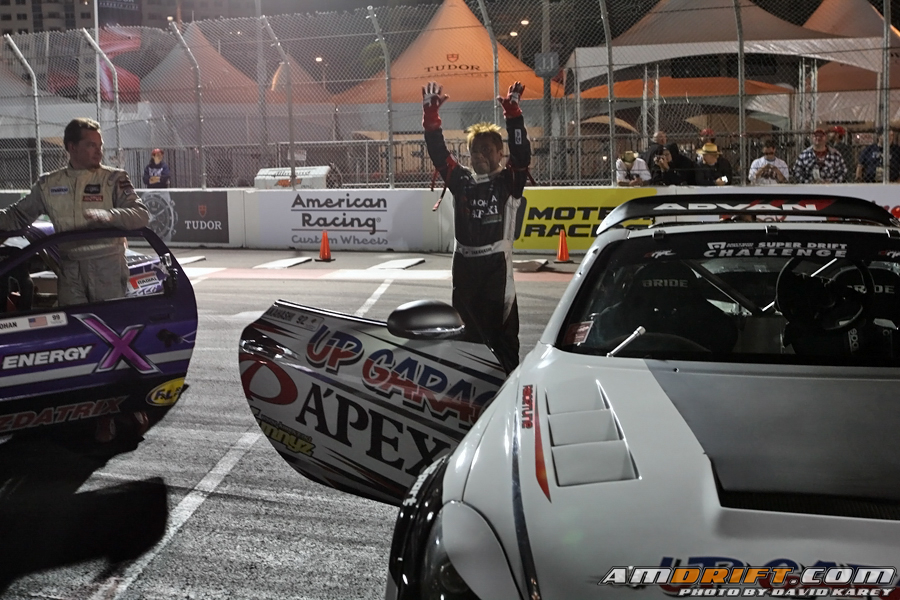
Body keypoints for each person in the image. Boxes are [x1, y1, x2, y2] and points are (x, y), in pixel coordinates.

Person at [422, 81, 529, 375]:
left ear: (500, 153)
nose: (479, 154)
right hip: (464, 267)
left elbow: (522, 155)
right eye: (474, 150)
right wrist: (431, 119)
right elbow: (438, 153)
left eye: (486, 149)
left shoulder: (509, 181)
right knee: (465, 334)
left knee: (502, 336)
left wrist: (514, 116)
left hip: (496, 269)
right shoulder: (461, 181)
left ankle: (507, 384)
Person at [0, 118, 150, 306]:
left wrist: (110, 216)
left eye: (100, 145)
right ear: (72, 147)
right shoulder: (48, 184)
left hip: (108, 268)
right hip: (69, 271)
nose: (99, 151)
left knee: (107, 323)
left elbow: (141, 215)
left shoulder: (114, 178)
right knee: (72, 323)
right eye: (91, 145)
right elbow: (16, 216)